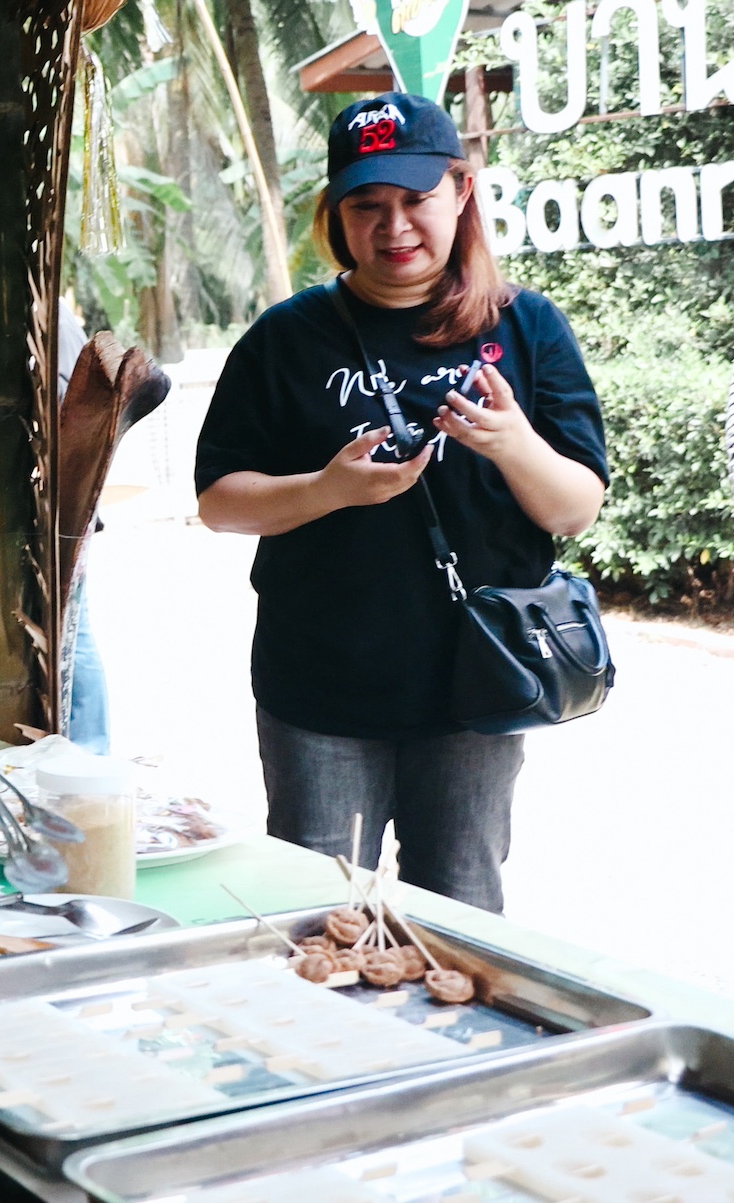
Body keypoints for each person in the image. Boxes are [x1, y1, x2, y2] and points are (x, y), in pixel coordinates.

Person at [195, 92, 609, 913]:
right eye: (367, 205)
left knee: (459, 912)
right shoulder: (285, 338)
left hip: (478, 691)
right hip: (320, 691)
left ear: (460, 192)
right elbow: (220, 503)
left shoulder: (526, 327)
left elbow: (575, 508)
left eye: (416, 200)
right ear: (336, 215)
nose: (395, 228)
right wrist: (327, 490)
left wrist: (511, 441)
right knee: (318, 918)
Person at [0, 289, 112, 754]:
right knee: (7, 624)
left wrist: (11, 356)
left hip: (42, 498)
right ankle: (27, 750)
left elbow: (80, 406)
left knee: (70, 626)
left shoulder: (46, 314)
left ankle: (90, 749)